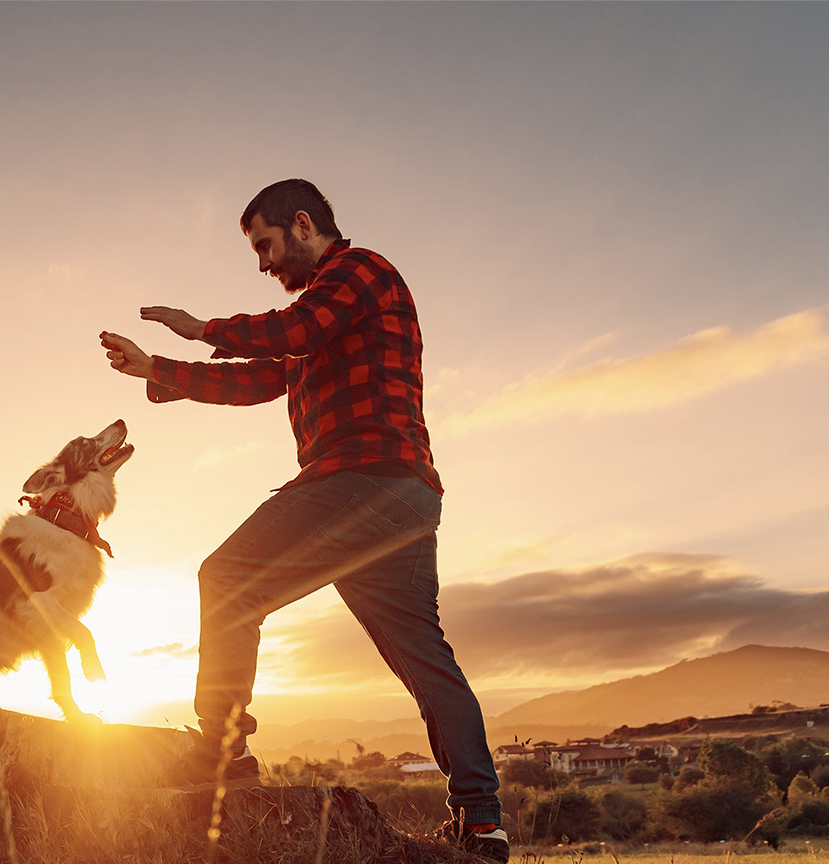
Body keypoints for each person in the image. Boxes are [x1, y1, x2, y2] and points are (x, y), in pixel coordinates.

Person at [99, 179, 506, 861]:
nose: (262, 263)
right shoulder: (324, 312)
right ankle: (482, 824)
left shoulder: (360, 272)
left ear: (302, 223)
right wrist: (161, 370)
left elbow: (292, 331)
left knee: (228, 579)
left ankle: (220, 752)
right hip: (397, 498)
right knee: (423, 659)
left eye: (264, 245)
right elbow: (264, 374)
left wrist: (202, 329)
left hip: (363, 479)